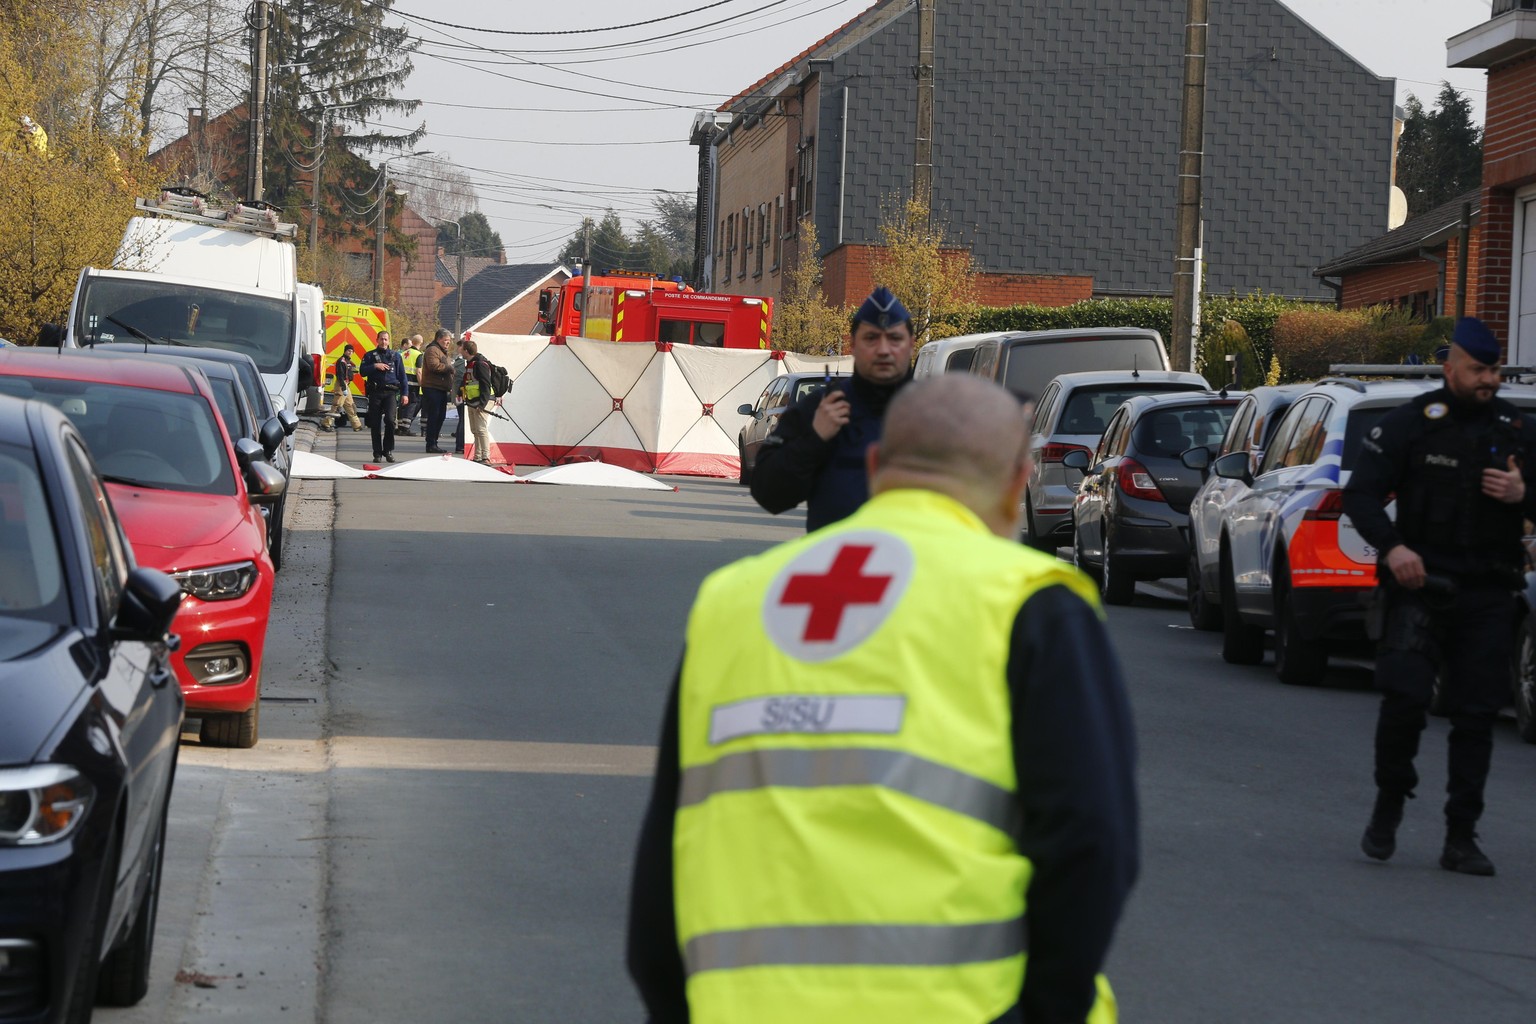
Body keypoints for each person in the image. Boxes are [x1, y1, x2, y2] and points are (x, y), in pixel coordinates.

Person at [628, 374, 1139, 1024]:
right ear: (1020, 480)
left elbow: (664, 853)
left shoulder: (734, 602)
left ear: (875, 467)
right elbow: (1092, 843)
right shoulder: (1030, 603)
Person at [1343, 316, 1536, 877]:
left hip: (1489, 592)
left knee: (1475, 714)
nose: (1490, 379)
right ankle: (1389, 802)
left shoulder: (1518, 430)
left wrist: (1525, 493)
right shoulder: (1413, 424)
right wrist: (1394, 548)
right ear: (1451, 369)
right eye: (1479, 369)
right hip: (1420, 585)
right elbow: (1361, 497)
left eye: (1495, 369)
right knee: (1403, 699)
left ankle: (1461, 835)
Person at [751, 286, 916, 531]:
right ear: (853, 344)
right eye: (871, 338)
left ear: (911, 344)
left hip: (917, 565)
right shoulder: (821, 408)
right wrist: (814, 439)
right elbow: (769, 494)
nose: (883, 349)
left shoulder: (937, 413)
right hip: (838, 563)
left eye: (894, 338)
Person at [363, 329, 405, 463]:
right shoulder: (369, 356)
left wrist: (405, 394)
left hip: (390, 393)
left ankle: (388, 450)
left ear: (389, 341)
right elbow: (362, 371)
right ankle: (377, 453)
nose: (384, 341)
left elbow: (402, 377)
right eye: (381, 339)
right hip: (375, 392)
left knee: (390, 421)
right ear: (377, 340)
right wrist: (375, 366)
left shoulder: (396, 356)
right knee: (375, 424)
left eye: (386, 339)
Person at [459, 337, 496, 465]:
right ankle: (477, 456)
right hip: (472, 401)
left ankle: (486, 457)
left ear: (466, 351)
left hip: (481, 401)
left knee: (481, 429)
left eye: (462, 349)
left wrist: (483, 403)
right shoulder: (470, 363)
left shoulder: (480, 364)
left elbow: (486, 384)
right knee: (475, 429)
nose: (460, 351)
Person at [419, 329, 454, 453]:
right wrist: (450, 368)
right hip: (432, 388)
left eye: (449, 341)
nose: (447, 343)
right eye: (445, 340)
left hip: (441, 388)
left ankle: (434, 442)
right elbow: (434, 366)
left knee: (440, 416)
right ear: (439, 339)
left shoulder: (442, 352)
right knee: (434, 416)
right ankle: (431, 443)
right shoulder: (432, 350)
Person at [330, 349, 362, 432]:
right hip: (341, 385)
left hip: (346, 385)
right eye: (348, 351)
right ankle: (326, 423)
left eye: (351, 351)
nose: (350, 353)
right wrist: (343, 388)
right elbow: (340, 375)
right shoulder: (341, 361)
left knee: (350, 405)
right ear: (344, 351)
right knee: (337, 405)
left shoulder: (348, 361)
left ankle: (357, 425)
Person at [398, 336, 422, 435]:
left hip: (402, 382)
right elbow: (419, 371)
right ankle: (405, 428)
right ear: (421, 343)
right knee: (412, 404)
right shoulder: (419, 355)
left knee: (402, 404)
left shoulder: (402, 354)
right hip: (413, 383)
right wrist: (422, 384)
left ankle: (399, 426)